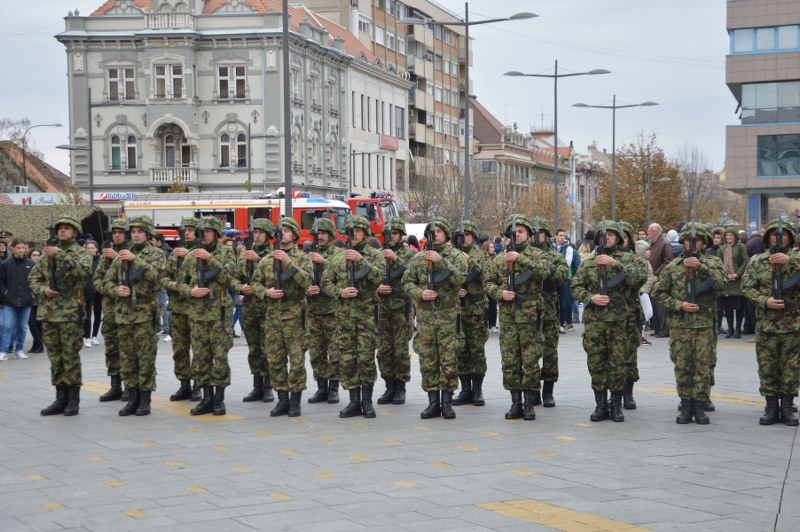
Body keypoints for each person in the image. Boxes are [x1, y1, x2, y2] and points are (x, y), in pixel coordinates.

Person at [571, 220, 647, 423]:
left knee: (617, 363)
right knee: (596, 363)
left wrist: (616, 264)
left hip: (619, 321)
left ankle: (616, 404)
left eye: (612, 235)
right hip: (595, 322)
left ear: (619, 238)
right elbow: (575, 287)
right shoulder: (589, 264)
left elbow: (638, 279)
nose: (607, 239)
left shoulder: (630, 260)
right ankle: (600, 405)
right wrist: (590, 298)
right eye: (604, 236)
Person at [652, 224, 725, 424]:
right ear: (683, 242)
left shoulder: (713, 262)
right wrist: (679, 304)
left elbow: (722, 283)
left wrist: (701, 267)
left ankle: (700, 405)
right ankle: (685, 404)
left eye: (697, 240)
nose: (692, 244)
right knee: (682, 366)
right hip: (680, 325)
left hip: (703, 325)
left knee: (702, 366)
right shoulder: (674, 266)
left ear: (704, 243)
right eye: (688, 241)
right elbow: (658, 293)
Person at [484, 215, 552, 420]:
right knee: (511, 361)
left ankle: (529, 403)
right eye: (513, 233)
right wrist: (500, 293)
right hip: (508, 316)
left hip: (530, 316)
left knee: (530, 360)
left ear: (530, 235)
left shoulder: (538, 255)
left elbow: (544, 273)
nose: (516, 235)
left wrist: (520, 259)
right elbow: (488, 283)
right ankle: (515, 402)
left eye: (521, 231)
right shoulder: (498, 260)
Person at [402, 216, 466, 420]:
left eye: (438, 231)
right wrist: (420, 293)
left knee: (448, 360)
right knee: (428, 360)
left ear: (446, 234)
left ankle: (447, 402)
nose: (435, 234)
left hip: (447, 316)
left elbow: (460, 280)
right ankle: (432, 402)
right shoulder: (419, 258)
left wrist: (442, 262)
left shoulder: (455, 256)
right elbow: (407, 283)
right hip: (426, 316)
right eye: (431, 231)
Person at [322, 216, 385, 418]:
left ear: (366, 234)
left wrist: (361, 261)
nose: (354, 234)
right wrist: (339, 292)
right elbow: (325, 283)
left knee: (366, 358)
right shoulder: (338, 257)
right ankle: (353, 401)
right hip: (345, 317)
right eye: (351, 230)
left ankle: (367, 402)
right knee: (347, 359)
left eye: (358, 230)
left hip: (366, 316)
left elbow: (378, 277)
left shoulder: (375, 255)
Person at [29, 214, 92, 416]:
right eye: (60, 228)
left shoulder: (81, 253)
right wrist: (43, 290)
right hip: (48, 312)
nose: (62, 231)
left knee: (70, 356)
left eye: (67, 228)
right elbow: (34, 278)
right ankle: (60, 398)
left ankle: (73, 399)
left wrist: (61, 255)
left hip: (71, 313)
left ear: (75, 232)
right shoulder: (48, 253)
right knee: (55, 358)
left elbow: (83, 272)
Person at [103, 216, 165, 416]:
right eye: (134, 231)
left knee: (145, 358)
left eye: (140, 231)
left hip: (145, 313)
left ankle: (145, 398)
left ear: (147, 234)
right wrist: (116, 290)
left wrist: (136, 260)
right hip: (123, 315)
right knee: (127, 358)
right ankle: (132, 396)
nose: (136, 234)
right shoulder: (122, 255)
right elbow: (106, 282)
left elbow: (157, 279)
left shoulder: (155, 254)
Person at [251, 218, 312, 417]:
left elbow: (306, 282)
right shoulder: (267, 259)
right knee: (275, 360)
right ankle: (282, 399)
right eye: (281, 230)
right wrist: (265, 292)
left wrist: (288, 263)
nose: (283, 234)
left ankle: (295, 402)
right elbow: (255, 283)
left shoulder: (303, 259)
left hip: (294, 317)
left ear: (294, 235)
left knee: (296, 361)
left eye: (286, 231)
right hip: (273, 318)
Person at [742, 218, 800, 426]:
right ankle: (770, 406)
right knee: (767, 368)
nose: (779, 238)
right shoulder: (758, 261)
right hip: (767, 325)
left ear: (790, 237)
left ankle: (787, 407)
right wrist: (764, 301)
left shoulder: (797, 259)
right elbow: (747, 288)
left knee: (791, 369)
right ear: (768, 238)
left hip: (793, 325)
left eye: (783, 234)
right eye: (775, 234)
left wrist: (790, 261)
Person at [177, 216, 236, 416]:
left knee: (219, 357)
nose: (205, 236)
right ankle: (206, 397)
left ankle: (219, 399)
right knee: (200, 358)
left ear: (217, 234)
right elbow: (180, 282)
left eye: (209, 231)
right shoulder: (191, 256)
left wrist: (209, 259)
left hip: (218, 313)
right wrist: (190, 291)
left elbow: (228, 278)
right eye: (202, 232)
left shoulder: (226, 253)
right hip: (197, 314)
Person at [230, 218, 276, 403]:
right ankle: (257, 386)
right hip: (249, 308)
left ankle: (268, 387)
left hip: (266, 308)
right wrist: (240, 288)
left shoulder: (273, 255)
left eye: (261, 232)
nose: (257, 235)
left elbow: (275, 278)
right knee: (254, 349)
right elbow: (233, 278)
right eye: (255, 232)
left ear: (268, 235)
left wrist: (260, 260)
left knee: (268, 348)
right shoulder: (244, 256)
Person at [375, 217, 416, 406]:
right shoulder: (378, 255)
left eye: (394, 233)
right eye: (388, 233)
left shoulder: (408, 254)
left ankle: (400, 388)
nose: (390, 237)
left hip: (402, 308)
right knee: (384, 350)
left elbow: (415, 273)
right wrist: (377, 288)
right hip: (383, 309)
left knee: (400, 350)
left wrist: (395, 258)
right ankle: (389, 386)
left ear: (401, 235)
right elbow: (370, 277)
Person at [530, 218, 569, 407]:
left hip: (548, 312)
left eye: (540, 233)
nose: (536, 237)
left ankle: (548, 391)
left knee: (550, 353)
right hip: (527, 313)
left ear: (546, 235)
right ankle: (533, 390)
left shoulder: (554, 255)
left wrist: (544, 269)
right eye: (534, 233)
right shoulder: (525, 254)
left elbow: (563, 277)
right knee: (530, 354)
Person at [451, 220, 491, 408]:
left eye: (466, 235)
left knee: (476, 350)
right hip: (458, 311)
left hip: (475, 310)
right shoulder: (452, 256)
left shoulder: (481, 256)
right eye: (460, 235)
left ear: (473, 237)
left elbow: (486, 275)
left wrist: (468, 260)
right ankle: (465, 389)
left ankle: (477, 390)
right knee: (461, 350)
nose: (463, 238)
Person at [162, 217, 202, 402]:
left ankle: (198, 386)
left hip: (196, 310)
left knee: (198, 349)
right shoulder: (174, 254)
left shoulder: (200, 253)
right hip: (178, 308)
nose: (187, 232)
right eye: (185, 230)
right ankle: (184, 383)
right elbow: (163, 278)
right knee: (179, 349)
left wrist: (189, 256)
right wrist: (174, 285)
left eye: (191, 230)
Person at [93, 219, 128, 402]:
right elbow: (98, 280)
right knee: (112, 349)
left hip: (130, 312)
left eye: (120, 232)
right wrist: (110, 290)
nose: (116, 235)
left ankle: (131, 386)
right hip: (111, 310)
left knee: (129, 351)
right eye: (114, 232)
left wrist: (116, 257)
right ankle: (116, 385)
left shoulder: (131, 254)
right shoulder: (105, 255)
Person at [618, 221, 650, 409]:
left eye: (624, 237)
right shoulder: (598, 258)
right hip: (607, 316)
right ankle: (611, 395)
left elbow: (637, 279)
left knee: (629, 356)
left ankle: (628, 394)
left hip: (629, 315)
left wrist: (616, 264)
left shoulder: (636, 260)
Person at [0, 239, 35, 360]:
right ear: (13, 249)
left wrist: (32, 293)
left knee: (22, 326)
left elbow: (35, 280)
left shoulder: (31, 263)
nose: (21, 250)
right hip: (10, 301)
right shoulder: (6, 264)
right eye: (18, 248)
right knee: (7, 326)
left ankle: (19, 349)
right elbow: (1, 281)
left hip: (26, 300)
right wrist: (5, 293)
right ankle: (3, 350)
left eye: (23, 248)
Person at [717, 227, 748, 339]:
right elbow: (718, 263)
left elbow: (745, 261)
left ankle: (738, 329)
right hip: (726, 281)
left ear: (735, 236)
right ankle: (730, 329)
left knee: (739, 307)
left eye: (731, 235)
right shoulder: (721, 249)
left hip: (737, 280)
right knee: (728, 307)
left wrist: (737, 274)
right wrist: (726, 275)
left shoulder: (741, 247)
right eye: (727, 236)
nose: (729, 237)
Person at [647, 223, 674, 338]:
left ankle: (664, 330)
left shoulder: (665, 243)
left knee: (661, 306)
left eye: (650, 230)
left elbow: (668, 261)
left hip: (660, 279)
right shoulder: (652, 243)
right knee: (654, 305)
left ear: (656, 232)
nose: (649, 233)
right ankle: (657, 329)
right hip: (651, 278)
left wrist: (657, 273)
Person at [552, 229, 577, 333]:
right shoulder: (551, 247)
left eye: (564, 235)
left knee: (563, 302)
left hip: (564, 278)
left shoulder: (569, 248)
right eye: (560, 235)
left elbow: (566, 262)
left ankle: (562, 323)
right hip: (552, 278)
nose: (562, 237)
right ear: (556, 236)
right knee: (552, 302)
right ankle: (553, 323)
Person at [151, 232, 172, 338]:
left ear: (159, 242)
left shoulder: (163, 252)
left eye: (153, 240)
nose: (152, 242)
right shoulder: (164, 250)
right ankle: (161, 327)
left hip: (160, 283)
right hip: (158, 283)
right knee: (158, 306)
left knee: (163, 306)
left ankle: (167, 329)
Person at [82, 240, 102, 348]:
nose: (90, 250)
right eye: (88, 248)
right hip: (87, 289)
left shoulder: (101, 260)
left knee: (98, 313)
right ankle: (86, 336)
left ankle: (94, 335)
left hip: (99, 289)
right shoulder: (83, 260)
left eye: (92, 248)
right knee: (87, 314)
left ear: (96, 249)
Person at [27, 249, 44, 354]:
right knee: (31, 322)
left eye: (38, 255)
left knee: (38, 323)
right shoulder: (28, 266)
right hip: (29, 298)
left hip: (40, 298)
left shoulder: (43, 267)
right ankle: (39, 343)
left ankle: (37, 345)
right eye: (34, 255)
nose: (36, 257)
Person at [481, 240, 498, 333]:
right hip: (484, 285)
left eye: (493, 247)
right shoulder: (482, 258)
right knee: (485, 307)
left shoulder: (495, 258)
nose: (493, 249)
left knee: (493, 305)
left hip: (493, 285)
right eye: (491, 247)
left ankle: (493, 324)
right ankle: (486, 324)